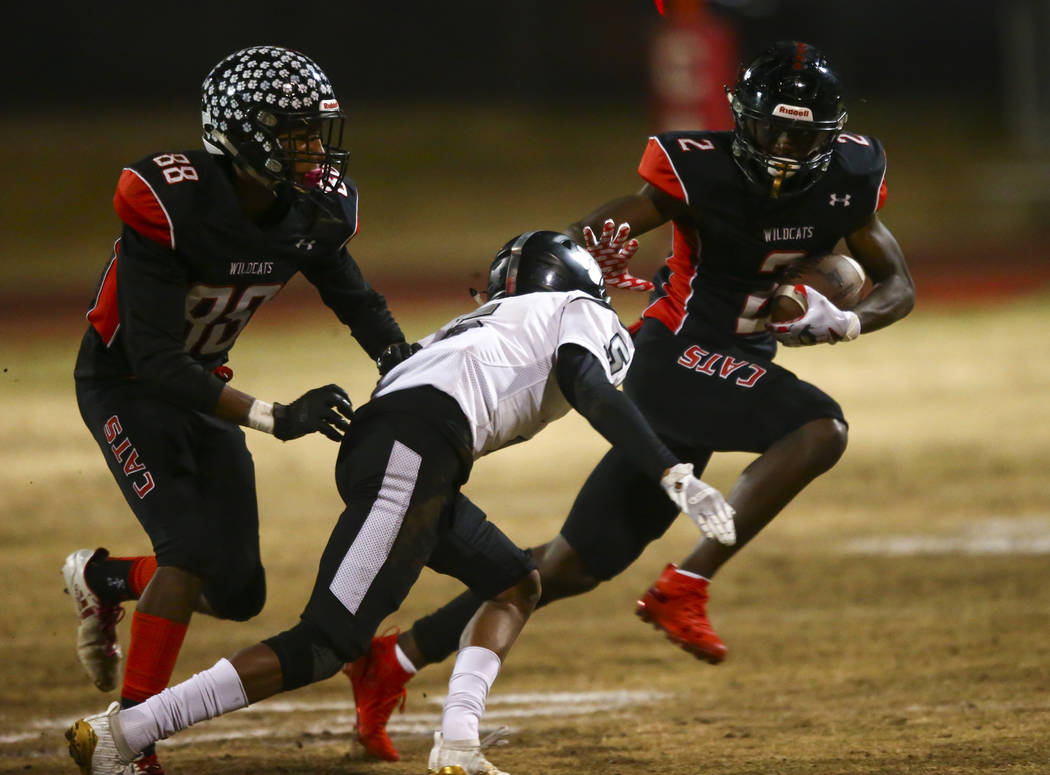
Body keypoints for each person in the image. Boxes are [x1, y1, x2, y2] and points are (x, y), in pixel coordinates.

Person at [344, 40, 916, 762]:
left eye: (800, 136)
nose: (781, 149)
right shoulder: (699, 168)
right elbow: (592, 235)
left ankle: (391, 660)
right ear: (742, 120)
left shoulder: (848, 179)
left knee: (574, 562)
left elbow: (898, 283)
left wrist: (846, 318)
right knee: (819, 427)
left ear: (828, 139)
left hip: (731, 369)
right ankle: (688, 581)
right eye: (771, 129)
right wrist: (566, 267)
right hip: (674, 360)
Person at [64, 230, 736, 775]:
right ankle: (126, 732)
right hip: (414, 449)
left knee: (513, 581)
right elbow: (594, 384)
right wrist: (674, 475)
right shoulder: (574, 313)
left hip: (405, 448)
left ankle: (458, 745)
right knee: (327, 639)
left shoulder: (489, 320)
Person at [63, 45, 422, 775]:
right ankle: (128, 740)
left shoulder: (310, 208)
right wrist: (272, 415)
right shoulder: (174, 201)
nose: (314, 150)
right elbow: (157, 359)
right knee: (188, 550)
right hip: (126, 381)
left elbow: (355, 299)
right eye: (295, 134)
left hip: (201, 382)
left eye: (316, 133)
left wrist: (410, 367)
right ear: (242, 133)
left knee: (238, 591)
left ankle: (103, 579)